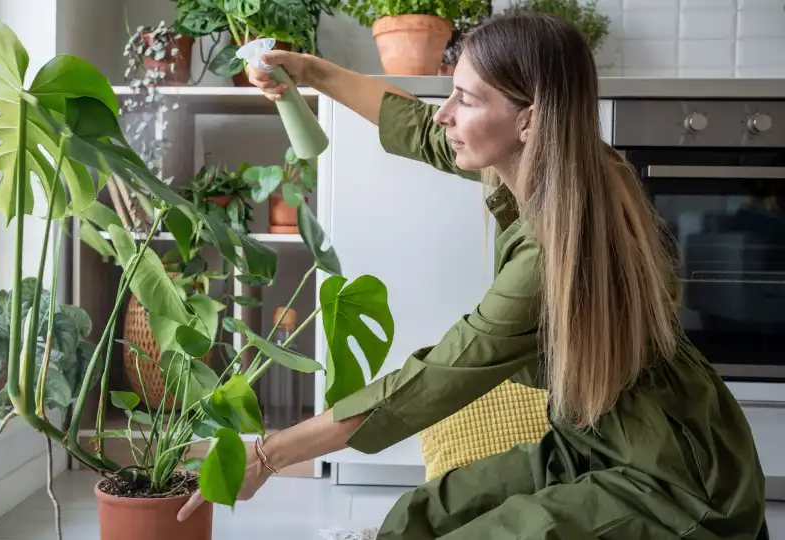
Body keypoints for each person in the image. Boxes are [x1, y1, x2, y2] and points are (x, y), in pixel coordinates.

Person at [177, 12, 769, 539]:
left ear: (528, 121)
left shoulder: (554, 256)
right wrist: (312, 72)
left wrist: (268, 456)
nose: (445, 113)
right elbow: (419, 129)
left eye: (466, 99)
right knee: (415, 519)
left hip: (675, 482)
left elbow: (432, 381)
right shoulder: (556, 162)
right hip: (589, 442)